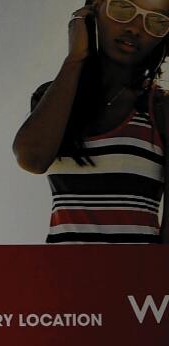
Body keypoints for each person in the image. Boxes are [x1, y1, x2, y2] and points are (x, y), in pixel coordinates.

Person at [13, 0, 169, 243]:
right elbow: (32, 159)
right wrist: (75, 59)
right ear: (94, 8)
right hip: (61, 275)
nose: (135, 28)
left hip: (138, 277)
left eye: (157, 21)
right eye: (123, 8)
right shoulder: (54, 96)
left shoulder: (161, 108)